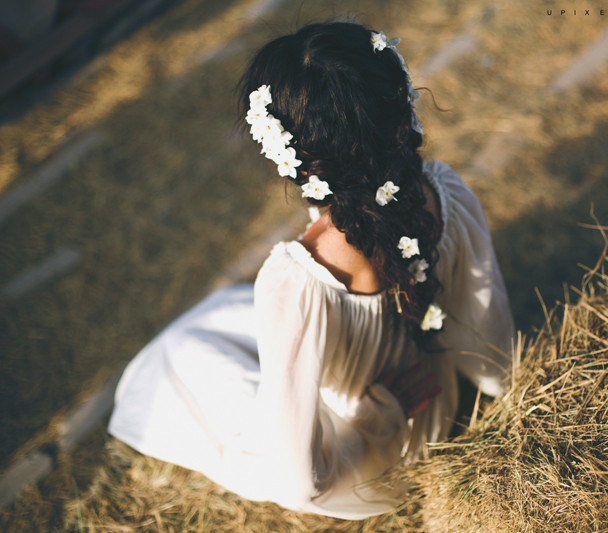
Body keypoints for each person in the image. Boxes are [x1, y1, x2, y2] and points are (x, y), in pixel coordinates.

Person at [108, 21, 515, 520]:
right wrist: (499, 392)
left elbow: (299, 485)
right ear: (400, 104)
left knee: (176, 357)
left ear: (291, 154)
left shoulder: (296, 279)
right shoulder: (444, 193)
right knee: (225, 315)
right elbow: (489, 340)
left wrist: (380, 414)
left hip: (377, 455)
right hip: (435, 405)